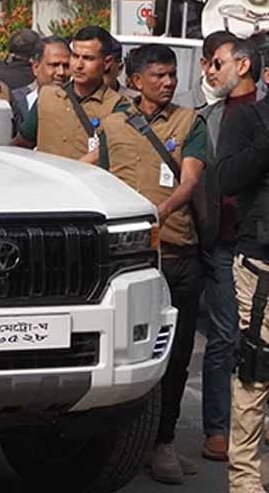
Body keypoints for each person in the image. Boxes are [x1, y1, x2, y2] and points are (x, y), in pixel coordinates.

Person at [94, 44, 206, 484]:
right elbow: (98, 179)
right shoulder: (113, 125)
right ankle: (123, 443)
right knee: (126, 356)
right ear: (135, 80)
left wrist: (159, 213)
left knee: (176, 357)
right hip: (127, 264)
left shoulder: (190, 122)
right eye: (158, 75)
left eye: (172, 75)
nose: (168, 82)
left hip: (178, 254)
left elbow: (192, 179)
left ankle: (162, 442)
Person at [215, 42, 269, 493]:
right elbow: (227, 178)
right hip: (260, 263)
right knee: (255, 370)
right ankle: (246, 481)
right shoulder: (247, 118)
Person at [196, 32, 250, 462]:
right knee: (224, 337)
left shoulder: (261, 115)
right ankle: (218, 428)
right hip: (220, 243)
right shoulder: (209, 117)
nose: (210, 71)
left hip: (259, 244)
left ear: (242, 66)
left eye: (217, 63)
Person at [12, 25, 130, 160]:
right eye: (75, 56)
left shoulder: (119, 107)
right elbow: (21, 145)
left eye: (88, 58)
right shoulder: (47, 97)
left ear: (107, 62)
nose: (78, 65)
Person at [10, 36, 71, 131]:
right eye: (54, 65)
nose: (61, 72)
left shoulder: (80, 108)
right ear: (36, 67)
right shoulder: (17, 105)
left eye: (66, 66)